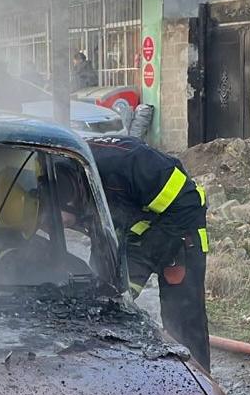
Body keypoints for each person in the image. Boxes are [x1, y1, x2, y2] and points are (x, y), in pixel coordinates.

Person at [85, 136, 210, 370]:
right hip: (137, 234)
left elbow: (190, 202)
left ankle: (198, 389)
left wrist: (145, 254)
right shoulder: (70, 170)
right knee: (105, 302)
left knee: (183, 322)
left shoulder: (129, 164)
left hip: (184, 232)